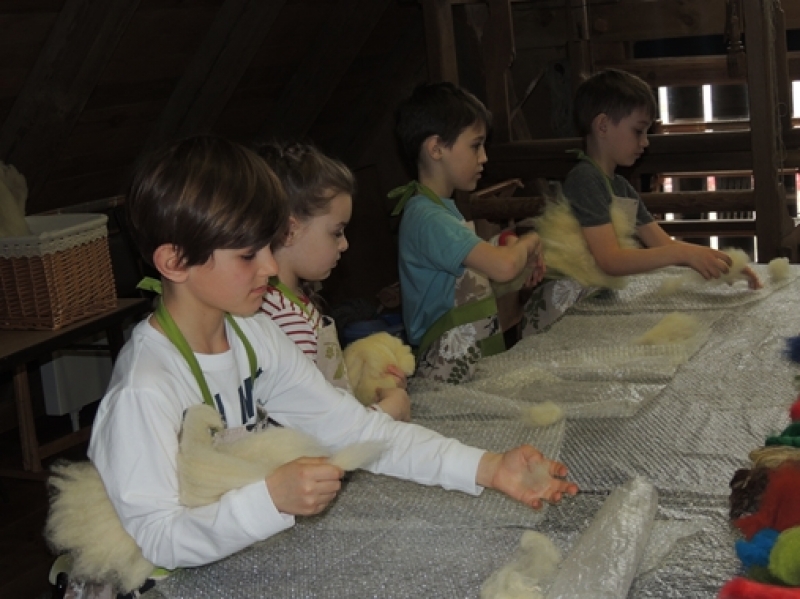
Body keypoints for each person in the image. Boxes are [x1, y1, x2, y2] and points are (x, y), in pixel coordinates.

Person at [86, 135, 577, 580]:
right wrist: (268, 499)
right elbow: (157, 537)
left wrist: (488, 468)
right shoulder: (145, 389)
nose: (270, 266)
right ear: (174, 262)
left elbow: (359, 431)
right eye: (247, 255)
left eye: (268, 247)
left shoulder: (254, 336)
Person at [392, 81, 546, 384]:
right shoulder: (427, 217)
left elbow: (468, 268)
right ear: (436, 148)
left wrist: (505, 243)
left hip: (466, 362)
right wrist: (531, 240)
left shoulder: (441, 210)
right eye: (476, 145)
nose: (484, 157)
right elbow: (503, 267)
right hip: (445, 373)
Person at [563, 68, 761, 288]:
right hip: (569, 299)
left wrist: (726, 264)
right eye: (638, 131)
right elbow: (610, 260)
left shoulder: (620, 187)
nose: (645, 142)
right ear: (603, 126)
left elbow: (662, 243)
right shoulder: (585, 179)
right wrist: (682, 254)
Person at [255, 140, 410, 421]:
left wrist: (369, 383)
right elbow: (314, 424)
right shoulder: (283, 320)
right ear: (290, 230)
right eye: (336, 232)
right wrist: (387, 411)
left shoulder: (292, 300)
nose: (344, 244)